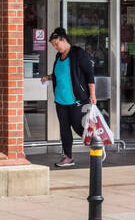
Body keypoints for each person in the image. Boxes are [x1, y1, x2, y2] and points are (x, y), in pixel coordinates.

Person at [41, 26, 96, 168]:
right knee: (64, 129)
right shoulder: (58, 57)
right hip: (61, 100)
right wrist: (48, 77)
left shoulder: (78, 53)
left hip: (76, 99)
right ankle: (68, 157)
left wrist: (92, 94)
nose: (55, 47)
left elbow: (89, 74)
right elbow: (60, 74)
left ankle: (97, 144)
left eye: (56, 44)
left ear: (64, 40)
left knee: (78, 126)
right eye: (53, 45)